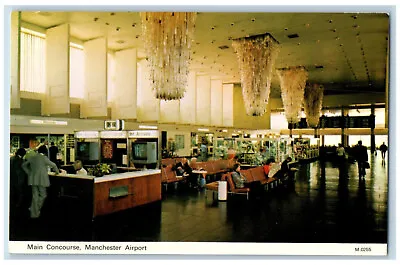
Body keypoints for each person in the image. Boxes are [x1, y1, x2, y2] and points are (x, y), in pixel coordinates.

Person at [22, 145, 59, 219]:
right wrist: (57, 172)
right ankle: (36, 210)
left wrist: (29, 173)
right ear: (45, 152)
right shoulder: (44, 158)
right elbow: (53, 165)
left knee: (35, 196)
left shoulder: (32, 157)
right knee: (43, 195)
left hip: (32, 179)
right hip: (41, 180)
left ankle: (33, 212)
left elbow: (23, 165)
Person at [10, 148, 28, 215]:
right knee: (19, 192)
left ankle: (13, 206)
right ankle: (18, 206)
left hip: (12, 178)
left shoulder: (11, 159)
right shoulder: (21, 160)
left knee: (13, 193)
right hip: (18, 179)